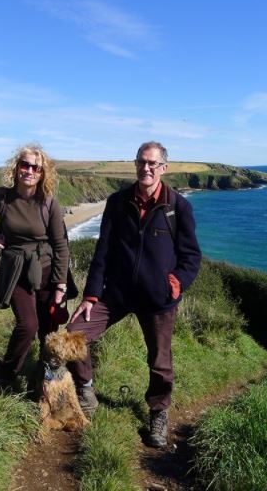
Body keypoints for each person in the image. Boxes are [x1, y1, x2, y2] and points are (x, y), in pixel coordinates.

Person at [68, 141, 201, 447]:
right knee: (74, 335)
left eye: (153, 163)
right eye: (142, 162)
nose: (147, 168)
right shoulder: (117, 202)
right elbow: (103, 251)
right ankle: (86, 389)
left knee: (160, 363)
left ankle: (158, 413)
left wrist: (177, 282)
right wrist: (90, 296)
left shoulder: (178, 207)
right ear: (136, 164)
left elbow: (191, 255)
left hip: (158, 300)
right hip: (116, 294)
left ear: (163, 168)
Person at [0, 144, 69, 392]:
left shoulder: (49, 204)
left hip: (46, 269)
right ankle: (4, 377)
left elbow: (61, 246)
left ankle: (44, 379)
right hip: (15, 268)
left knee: (48, 330)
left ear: (42, 173)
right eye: (24, 165)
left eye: (35, 167)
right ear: (16, 168)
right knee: (28, 325)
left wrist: (60, 284)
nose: (29, 171)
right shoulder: (2, 197)